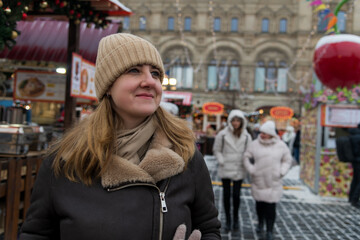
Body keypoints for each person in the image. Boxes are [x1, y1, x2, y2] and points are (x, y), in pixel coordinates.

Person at [19, 33, 221, 240]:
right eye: (134, 70)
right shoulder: (66, 160)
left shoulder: (185, 154)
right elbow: (36, 234)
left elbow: (209, 229)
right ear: (108, 87)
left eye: (155, 73)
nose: (149, 81)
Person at [243, 121, 292, 240]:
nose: (262, 135)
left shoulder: (281, 145)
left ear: (271, 133)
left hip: (273, 181)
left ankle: (269, 229)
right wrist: (252, 169)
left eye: (265, 133)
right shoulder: (254, 144)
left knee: (271, 208)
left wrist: (281, 171)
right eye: (261, 132)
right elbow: (246, 157)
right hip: (258, 180)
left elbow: (287, 160)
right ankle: (260, 223)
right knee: (259, 205)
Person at [212, 109, 251, 232]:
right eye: (233, 120)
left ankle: (235, 220)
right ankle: (228, 220)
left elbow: (249, 151)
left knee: (236, 196)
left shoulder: (246, 136)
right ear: (229, 121)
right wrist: (221, 160)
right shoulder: (222, 134)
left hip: (239, 168)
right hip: (226, 167)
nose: (235, 123)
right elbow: (216, 149)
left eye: (238, 120)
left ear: (241, 122)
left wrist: (246, 161)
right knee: (227, 195)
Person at [348, 124, 360, 208]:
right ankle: (355, 199)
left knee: (355, 179)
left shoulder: (352, 135)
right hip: (359, 160)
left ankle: (351, 197)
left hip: (354, 160)